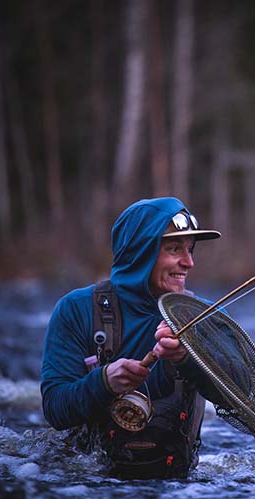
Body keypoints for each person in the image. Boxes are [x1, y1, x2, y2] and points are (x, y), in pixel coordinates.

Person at [41, 197, 222, 479]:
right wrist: (102, 382)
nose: (189, 262)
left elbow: (240, 396)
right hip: (89, 482)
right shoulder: (75, 310)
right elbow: (55, 409)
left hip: (179, 485)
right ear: (140, 253)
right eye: (175, 249)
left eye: (190, 250)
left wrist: (187, 359)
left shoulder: (203, 316)